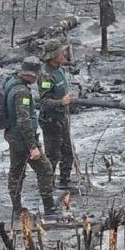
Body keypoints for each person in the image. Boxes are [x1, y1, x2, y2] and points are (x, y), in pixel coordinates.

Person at [4, 56, 56, 217]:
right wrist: (32, 146)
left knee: (16, 172)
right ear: (31, 75)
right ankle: (49, 209)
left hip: (13, 135)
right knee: (45, 169)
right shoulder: (22, 93)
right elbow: (24, 119)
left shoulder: (11, 82)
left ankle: (16, 207)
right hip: (23, 138)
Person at [38, 40, 74, 189]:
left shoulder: (60, 70)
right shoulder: (46, 76)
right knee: (52, 156)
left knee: (68, 152)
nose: (64, 54)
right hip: (51, 120)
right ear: (52, 56)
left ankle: (64, 182)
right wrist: (60, 102)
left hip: (63, 117)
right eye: (60, 53)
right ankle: (47, 186)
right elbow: (44, 102)